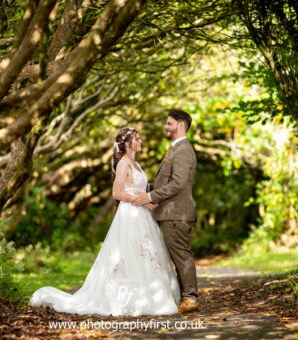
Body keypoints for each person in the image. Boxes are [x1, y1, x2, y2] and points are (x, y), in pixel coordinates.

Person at [29, 128, 180, 316]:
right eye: (137, 138)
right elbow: (116, 193)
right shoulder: (124, 164)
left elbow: (139, 189)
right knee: (130, 254)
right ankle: (128, 298)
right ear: (127, 144)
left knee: (146, 254)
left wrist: (147, 200)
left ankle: (149, 294)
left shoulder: (137, 163)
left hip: (143, 215)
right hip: (130, 215)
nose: (141, 141)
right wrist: (139, 200)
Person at [133, 110, 199, 313]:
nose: (165, 126)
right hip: (171, 213)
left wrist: (150, 197)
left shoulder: (184, 150)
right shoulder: (175, 149)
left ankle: (191, 298)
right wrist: (142, 188)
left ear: (180, 125)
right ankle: (185, 297)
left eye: (169, 123)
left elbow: (178, 183)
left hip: (176, 214)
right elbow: (166, 181)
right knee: (178, 255)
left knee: (181, 255)